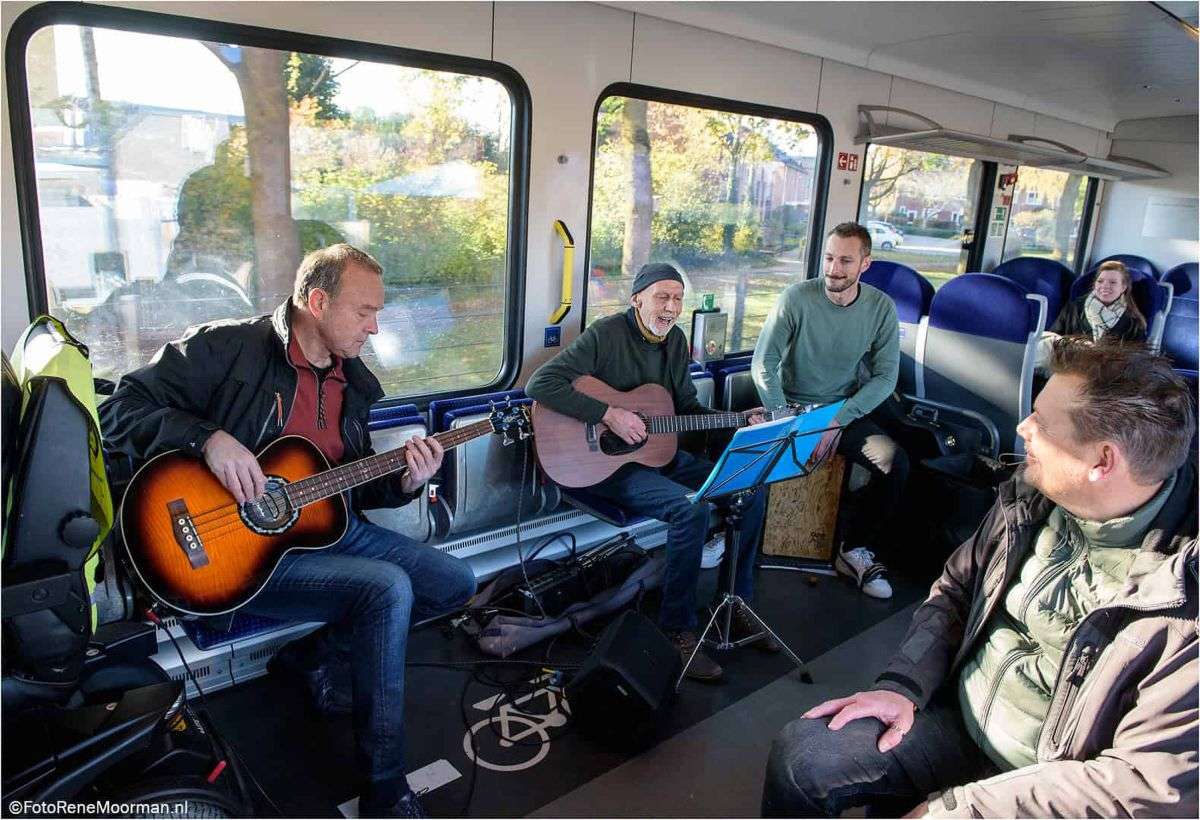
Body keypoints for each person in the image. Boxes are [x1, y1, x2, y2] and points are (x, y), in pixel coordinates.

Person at [101, 244, 476, 818]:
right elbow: (117, 409)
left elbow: (348, 486)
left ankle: (313, 660)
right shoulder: (228, 348)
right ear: (317, 301)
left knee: (455, 582)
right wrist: (206, 439)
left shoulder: (358, 385)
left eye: (378, 313)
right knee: (387, 588)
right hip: (230, 549)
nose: (375, 328)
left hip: (322, 530)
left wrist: (406, 480)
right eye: (363, 312)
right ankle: (384, 787)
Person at [762, 338, 1197, 818]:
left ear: (1102, 461)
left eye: (1043, 423)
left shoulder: (1183, 596)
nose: (1023, 428)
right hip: (962, 718)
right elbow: (956, 590)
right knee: (804, 756)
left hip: (1058, 776)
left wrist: (958, 809)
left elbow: (1144, 785)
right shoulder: (1029, 499)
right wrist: (903, 685)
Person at [525, 263, 773, 682]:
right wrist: (609, 414)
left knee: (750, 486)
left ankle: (735, 601)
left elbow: (687, 411)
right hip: (604, 464)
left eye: (678, 298)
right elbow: (540, 384)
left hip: (657, 453)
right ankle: (677, 629)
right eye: (662, 297)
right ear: (637, 298)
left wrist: (736, 419)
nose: (671, 307)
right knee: (689, 510)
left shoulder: (675, 342)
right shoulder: (606, 335)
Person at [751, 222, 906, 599]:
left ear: (864, 265)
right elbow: (763, 364)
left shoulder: (880, 308)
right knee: (743, 452)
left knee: (894, 463)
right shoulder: (796, 298)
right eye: (829, 258)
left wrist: (835, 421)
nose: (834, 269)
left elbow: (886, 378)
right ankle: (728, 533)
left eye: (846, 261)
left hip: (841, 412)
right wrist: (787, 417)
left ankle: (854, 550)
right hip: (790, 407)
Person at [1052, 260, 1148, 343]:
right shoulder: (1074, 307)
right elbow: (1053, 337)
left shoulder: (1134, 322)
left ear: (1123, 287)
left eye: (1113, 282)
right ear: (1094, 285)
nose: (1105, 286)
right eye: (1100, 281)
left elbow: (1135, 358)